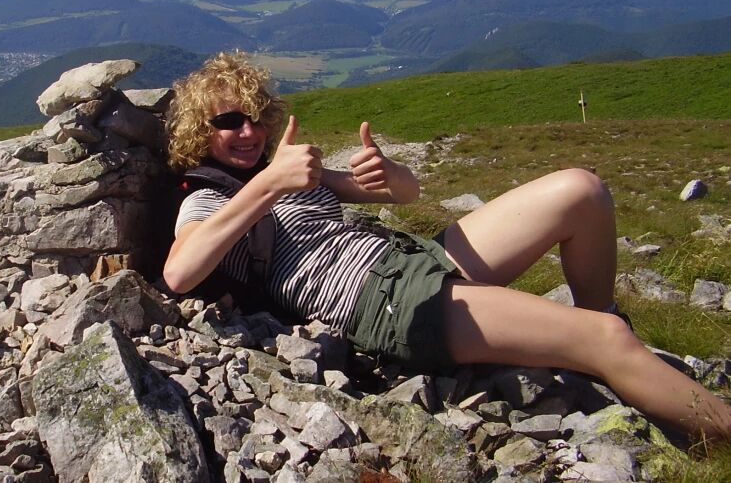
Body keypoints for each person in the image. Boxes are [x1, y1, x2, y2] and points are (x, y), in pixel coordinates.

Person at [161, 50, 731, 440]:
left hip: (415, 260)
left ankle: (610, 346)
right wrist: (267, 184)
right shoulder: (209, 199)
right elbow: (179, 273)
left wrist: (388, 173)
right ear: (198, 132)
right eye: (229, 121)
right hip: (382, 305)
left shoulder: (288, 171)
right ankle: (634, 370)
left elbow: (405, 194)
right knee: (603, 339)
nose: (249, 132)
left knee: (582, 192)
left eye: (256, 117)